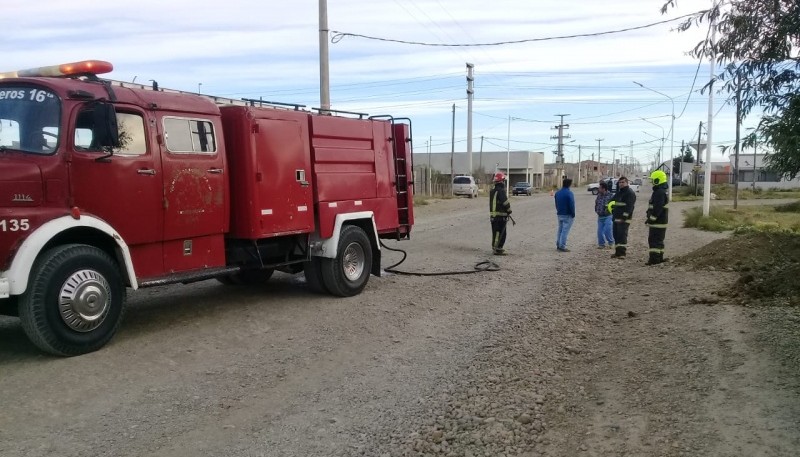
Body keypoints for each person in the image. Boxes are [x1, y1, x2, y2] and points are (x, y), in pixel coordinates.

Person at [608, 176, 636, 258]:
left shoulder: (630, 193)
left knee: (622, 236)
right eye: (620, 182)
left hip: (624, 219)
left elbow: (629, 207)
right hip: (616, 218)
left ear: (627, 183)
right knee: (616, 235)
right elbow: (611, 202)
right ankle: (617, 253)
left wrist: (624, 218)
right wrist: (610, 209)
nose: (621, 184)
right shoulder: (619, 193)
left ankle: (622, 253)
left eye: (623, 182)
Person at [645, 170, 669, 265]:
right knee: (659, 241)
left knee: (654, 241)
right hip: (661, 221)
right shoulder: (661, 191)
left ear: (658, 180)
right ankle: (659, 258)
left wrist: (651, 219)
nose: (652, 182)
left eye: (653, 180)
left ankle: (654, 260)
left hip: (657, 222)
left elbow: (657, 208)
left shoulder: (659, 192)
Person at [489, 172, 512, 255]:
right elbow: (505, 202)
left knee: (495, 232)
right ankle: (498, 248)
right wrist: (509, 210)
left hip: (493, 216)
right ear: (502, 181)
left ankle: (495, 247)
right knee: (501, 233)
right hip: (500, 216)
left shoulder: (492, 191)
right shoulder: (501, 191)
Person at [554, 178, 575, 252]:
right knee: (565, 231)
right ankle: (562, 246)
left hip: (560, 213)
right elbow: (571, 204)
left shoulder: (557, 193)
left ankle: (558, 244)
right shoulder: (569, 193)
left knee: (560, 230)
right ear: (569, 184)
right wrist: (573, 213)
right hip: (567, 214)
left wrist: (558, 210)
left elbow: (556, 204)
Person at [594, 180, 615, 248]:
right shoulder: (599, 196)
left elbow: (614, 206)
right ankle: (601, 244)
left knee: (607, 230)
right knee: (599, 232)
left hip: (608, 216)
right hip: (600, 216)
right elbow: (596, 203)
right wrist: (596, 210)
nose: (598, 189)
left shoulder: (611, 196)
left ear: (604, 189)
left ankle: (611, 242)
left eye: (600, 188)